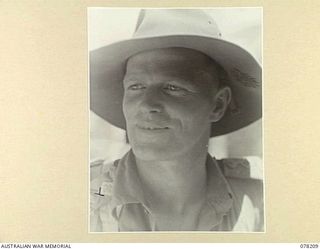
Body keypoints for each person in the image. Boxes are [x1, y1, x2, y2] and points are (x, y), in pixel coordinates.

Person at [90, 9, 263, 231]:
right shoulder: (81, 199)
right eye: (136, 87)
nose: (147, 104)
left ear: (218, 104)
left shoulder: (258, 203)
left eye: (172, 87)